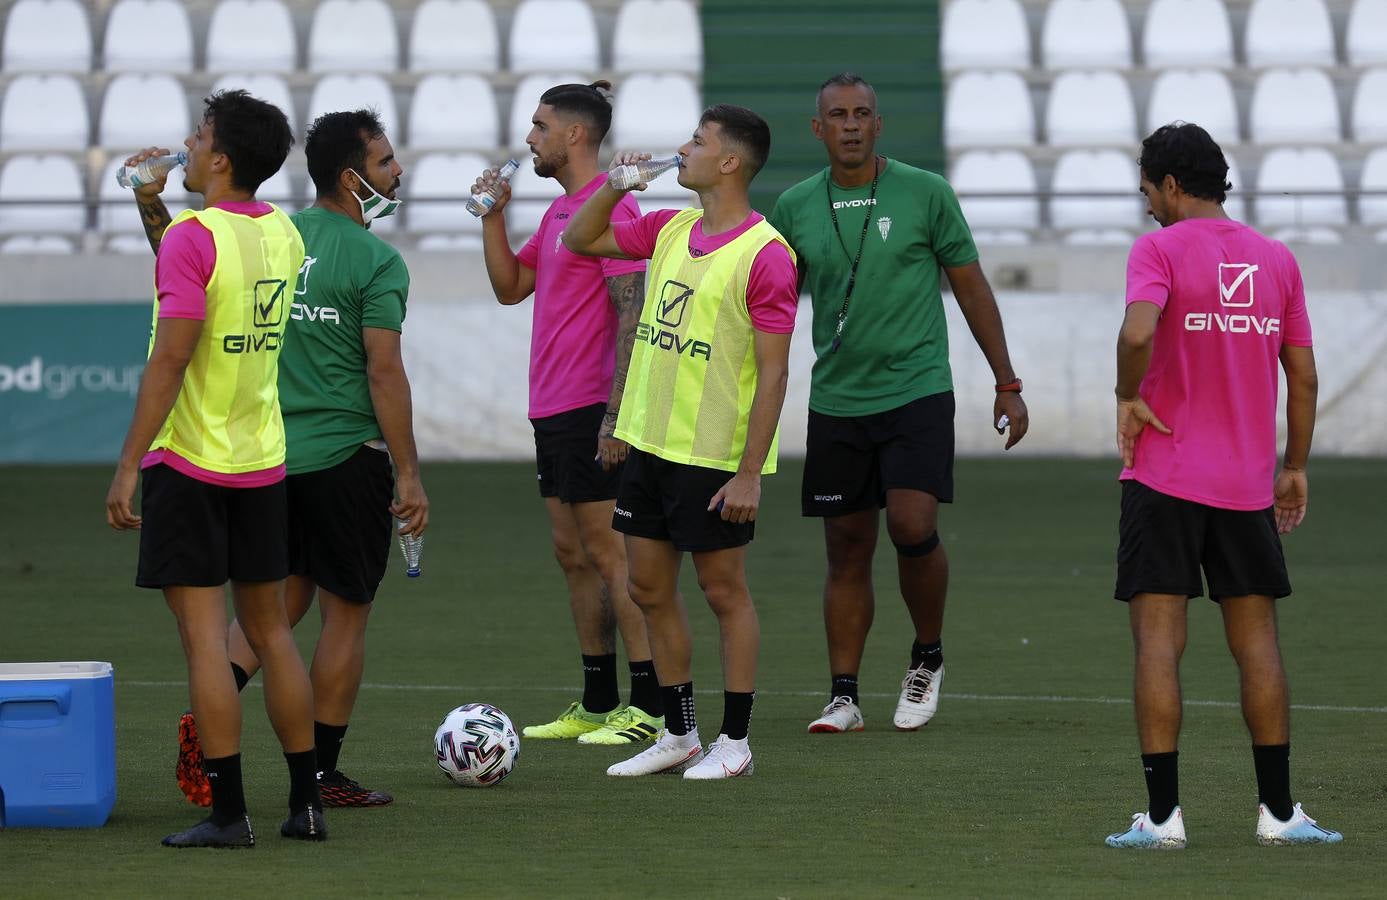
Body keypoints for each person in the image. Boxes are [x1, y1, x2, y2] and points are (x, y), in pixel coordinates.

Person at [135, 110, 429, 809]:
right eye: (386, 164)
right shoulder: (376, 260)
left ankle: (212, 712)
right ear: (352, 177)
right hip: (342, 455)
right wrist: (411, 472)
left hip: (264, 453)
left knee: (280, 602)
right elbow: (383, 373)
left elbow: (182, 264)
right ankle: (321, 776)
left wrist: (149, 201)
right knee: (342, 614)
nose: (397, 174)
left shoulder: (273, 233)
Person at [768, 73, 1029, 735]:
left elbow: (970, 289)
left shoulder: (926, 193)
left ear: (878, 125)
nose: (851, 124)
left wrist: (1006, 381)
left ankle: (926, 655)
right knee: (846, 546)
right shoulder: (795, 207)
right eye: (837, 115)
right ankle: (843, 696)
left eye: (862, 114)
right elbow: (766, 305)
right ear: (817, 129)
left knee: (911, 525)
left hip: (915, 389)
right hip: (836, 399)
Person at [1104, 122, 1341, 849]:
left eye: (1147, 190)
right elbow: (1300, 374)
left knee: (1156, 641)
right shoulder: (1274, 259)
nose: (1146, 205)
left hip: (1165, 477)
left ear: (1170, 185)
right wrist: (1292, 465)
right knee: (1257, 642)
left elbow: (1138, 333)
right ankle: (1277, 814)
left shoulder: (1157, 249)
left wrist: (1126, 393)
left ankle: (1164, 819)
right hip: (1244, 485)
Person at [105, 89, 325, 847]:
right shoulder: (285, 234)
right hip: (261, 459)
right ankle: (306, 805)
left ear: (221, 156)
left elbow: (175, 348)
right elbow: (201, 268)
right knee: (271, 635)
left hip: (192, 460)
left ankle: (230, 815)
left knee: (206, 642)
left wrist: (129, 462)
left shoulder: (192, 236)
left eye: (198, 138)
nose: (187, 148)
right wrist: (152, 209)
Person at [563, 104, 798, 779]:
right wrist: (612, 186)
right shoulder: (670, 227)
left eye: (697, 141)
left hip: (714, 455)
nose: (682, 149)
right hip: (651, 444)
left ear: (728, 162)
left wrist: (750, 472)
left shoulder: (766, 254)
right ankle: (680, 733)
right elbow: (582, 239)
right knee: (647, 587)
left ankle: (736, 742)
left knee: (724, 592)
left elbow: (775, 372)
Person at [474, 81, 662, 745]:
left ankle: (648, 708)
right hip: (551, 409)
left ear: (574, 135)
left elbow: (632, 316)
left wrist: (616, 418)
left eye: (539, 126)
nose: (529, 139)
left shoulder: (610, 209)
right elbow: (509, 288)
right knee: (572, 555)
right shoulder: (558, 216)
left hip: (591, 409)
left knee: (614, 556)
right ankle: (596, 698)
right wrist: (491, 215)